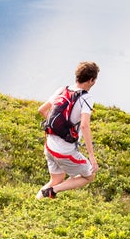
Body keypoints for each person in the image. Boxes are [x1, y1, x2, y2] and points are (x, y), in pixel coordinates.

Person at [37, 60, 99, 199]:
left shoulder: (62, 89)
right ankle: (54, 190)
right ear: (91, 80)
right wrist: (91, 156)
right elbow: (84, 125)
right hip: (64, 152)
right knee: (90, 175)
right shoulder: (86, 98)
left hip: (49, 146)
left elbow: (41, 110)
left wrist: (59, 128)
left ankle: (34, 204)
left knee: (56, 179)